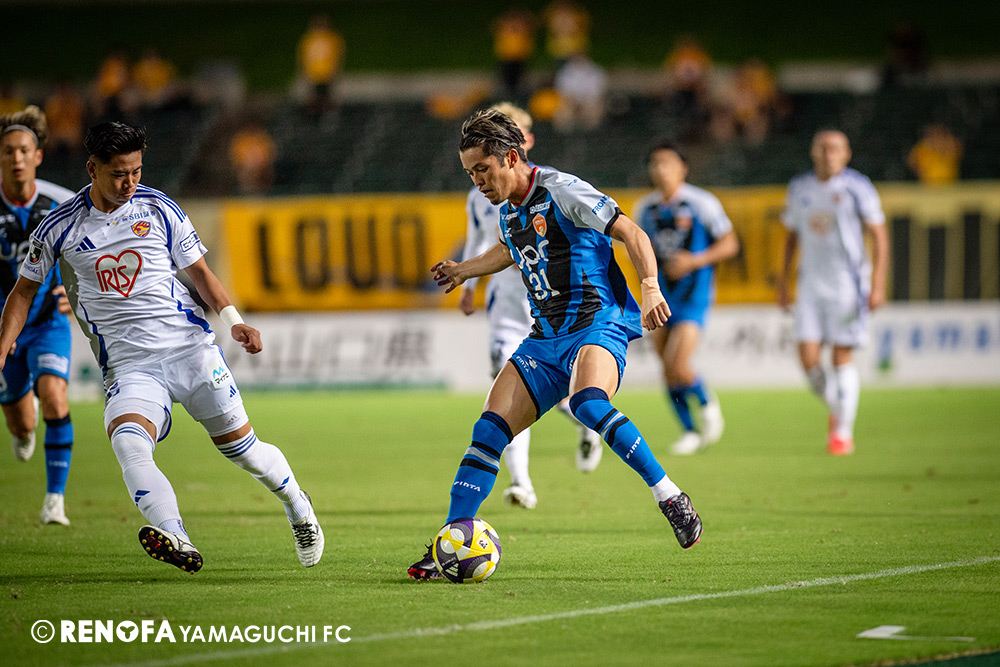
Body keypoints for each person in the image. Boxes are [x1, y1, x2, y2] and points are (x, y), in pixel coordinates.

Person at [0, 121, 324, 571]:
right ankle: (177, 537)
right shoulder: (59, 225)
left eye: (136, 171)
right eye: (119, 173)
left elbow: (201, 274)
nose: (130, 182)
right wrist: (3, 346)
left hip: (191, 352)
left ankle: (297, 504)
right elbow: (22, 293)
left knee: (244, 450)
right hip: (129, 367)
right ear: (92, 169)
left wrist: (234, 321)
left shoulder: (158, 208)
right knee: (129, 443)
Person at [409, 109, 703, 579]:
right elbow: (509, 249)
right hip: (544, 337)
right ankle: (451, 540)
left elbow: (631, 231)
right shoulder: (508, 210)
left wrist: (650, 287)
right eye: (469, 174)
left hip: (597, 324)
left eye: (482, 169)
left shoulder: (563, 190)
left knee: (588, 403)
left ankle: (669, 495)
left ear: (511, 157)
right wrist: (465, 270)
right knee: (488, 432)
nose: (478, 181)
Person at [457, 103, 602, 511]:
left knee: (551, 391)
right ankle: (521, 481)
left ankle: (587, 422)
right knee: (506, 391)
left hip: (549, 306)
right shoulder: (479, 195)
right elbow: (479, 240)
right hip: (506, 307)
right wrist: (468, 281)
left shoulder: (551, 188)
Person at [777, 130, 889, 455]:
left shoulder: (858, 187)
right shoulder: (800, 187)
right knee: (808, 359)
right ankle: (838, 408)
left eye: (835, 149)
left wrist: (878, 283)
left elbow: (879, 235)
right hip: (810, 284)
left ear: (847, 154)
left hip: (847, 285)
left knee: (841, 355)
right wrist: (783, 281)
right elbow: (791, 236)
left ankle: (842, 432)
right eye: (823, 148)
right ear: (813, 152)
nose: (828, 154)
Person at [634, 140, 739, 455]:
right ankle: (689, 431)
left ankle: (706, 400)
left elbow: (730, 244)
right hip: (661, 295)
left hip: (694, 294)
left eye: (667, 163)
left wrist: (694, 261)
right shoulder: (644, 207)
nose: (660, 169)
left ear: (683, 168)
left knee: (677, 364)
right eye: (655, 163)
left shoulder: (702, 203)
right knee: (667, 370)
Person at [0, 106, 76, 525]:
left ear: (38, 156)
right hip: (3, 329)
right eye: (8, 151)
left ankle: (54, 500)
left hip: (48, 322)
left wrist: (73, 293)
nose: (16, 158)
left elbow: (87, 254)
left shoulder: (60, 205)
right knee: (22, 424)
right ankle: (22, 424)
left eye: (24, 150)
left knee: (54, 396)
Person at [296, 15, 345, 116]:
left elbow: (338, 55)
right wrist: (303, 71)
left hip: (327, 73)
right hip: (313, 73)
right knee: (313, 98)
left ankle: (327, 115)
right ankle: (313, 115)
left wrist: (336, 70)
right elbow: (302, 56)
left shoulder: (332, 38)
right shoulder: (308, 39)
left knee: (328, 97)